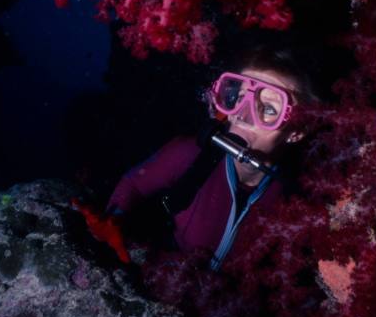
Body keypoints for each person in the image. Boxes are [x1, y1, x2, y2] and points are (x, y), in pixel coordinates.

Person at [106, 41, 319, 271]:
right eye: (239, 98)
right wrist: (114, 220)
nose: (242, 116)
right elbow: (134, 183)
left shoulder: (298, 197)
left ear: (296, 132)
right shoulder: (188, 153)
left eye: (268, 109)